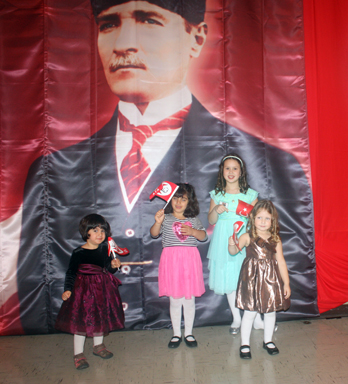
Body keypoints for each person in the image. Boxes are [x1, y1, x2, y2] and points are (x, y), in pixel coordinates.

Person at [16, 0, 315, 334]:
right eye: (108, 24)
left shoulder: (278, 159)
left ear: (197, 37)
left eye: (148, 21)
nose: (124, 42)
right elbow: (28, 286)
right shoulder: (52, 169)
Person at [55, 214, 124, 370]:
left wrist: (114, 265)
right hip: (83, 292)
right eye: (95, 230)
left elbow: (108, 269)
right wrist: (67, 289)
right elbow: (71, 272)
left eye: (102, 231)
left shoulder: (105, 249)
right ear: (86, 232)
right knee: (81, 322)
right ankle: (78, 354)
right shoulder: (79, 253)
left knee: (100, 317)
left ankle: (98, 346)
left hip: (102, 290)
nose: (100, 234)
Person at [228, 200, 290, 359]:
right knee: (249, 312)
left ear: (273, 221)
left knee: (270, 312)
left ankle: (268, 341)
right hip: (251, 280)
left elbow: (281, 261)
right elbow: (234, 251)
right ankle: (245, 344)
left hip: (270, 280)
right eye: (259, 218)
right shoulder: (248, 236)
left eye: (267, 218)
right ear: (252, 218)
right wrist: (231, 243)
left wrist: (286, 283)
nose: (263, 222)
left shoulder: (275, 239)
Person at [207, 154, 259, 334]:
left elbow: (257, 221)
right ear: (222, 171)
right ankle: (236, 318)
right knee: (228, 278)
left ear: (241, 172)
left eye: (234, 168)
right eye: (227, 168)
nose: (231, 172)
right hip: (223, 239)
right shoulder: (217, 194)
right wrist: (215, 209)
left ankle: (256, 317)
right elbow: (212, 220)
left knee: (248, 278)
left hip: (243, 238)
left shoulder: (250, 194)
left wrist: (249, 219)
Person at [150, 183, 207, 348]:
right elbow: (154, 234)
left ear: (190, 202)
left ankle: (188, 333)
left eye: (183, 199)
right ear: (169, 200)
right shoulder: (165, 218)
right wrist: (157, 222)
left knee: (189, 300)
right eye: (175, 198)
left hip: (189, 262)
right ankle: (176, 334)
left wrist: (193, 232)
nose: (179, 202)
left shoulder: (193, 219)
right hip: (171, 263)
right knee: (175, 301)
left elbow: (203, 237)